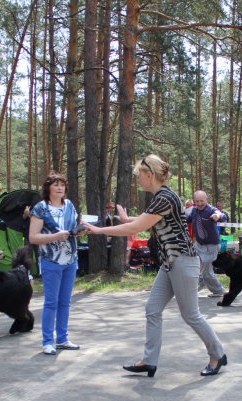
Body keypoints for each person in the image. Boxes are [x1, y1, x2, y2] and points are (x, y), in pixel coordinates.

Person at [85, 154, 228, 377]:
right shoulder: (163, 196)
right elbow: (144, 220)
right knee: (152, 310)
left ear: (149, 175)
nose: (138, 180)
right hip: (170, 262)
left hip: (182, 260)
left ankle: (218, 354)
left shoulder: (164, 197)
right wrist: (126, 220)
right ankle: (149, 361)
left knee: (191, 315)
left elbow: (136, 229)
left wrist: (99, 231)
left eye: (139, 176)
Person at [29, 171, 84, 355]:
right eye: (56, 185)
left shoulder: (69, 205)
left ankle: (62, 339)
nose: (60, 187)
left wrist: (80, 231)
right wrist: (55, 236)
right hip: (51, 260)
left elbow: (73, 227)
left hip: (70, 259)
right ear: (48, 188)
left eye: (62, 184)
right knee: (51, 302)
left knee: (65, 302)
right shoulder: (40, 208)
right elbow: (33, 237)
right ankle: (47, 342)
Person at [185, 190, 225, 297]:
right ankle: (202, 281)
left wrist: (217, 215)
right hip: (199, 244)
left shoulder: (211, 210)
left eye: (201, 201)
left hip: (211, 246)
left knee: (207, 272)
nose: (199, 204)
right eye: (197, 201)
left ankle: (219, 290)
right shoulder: (194, 211)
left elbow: (221, 214)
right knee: (189, 261)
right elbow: (187, 219)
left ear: (206, 199)